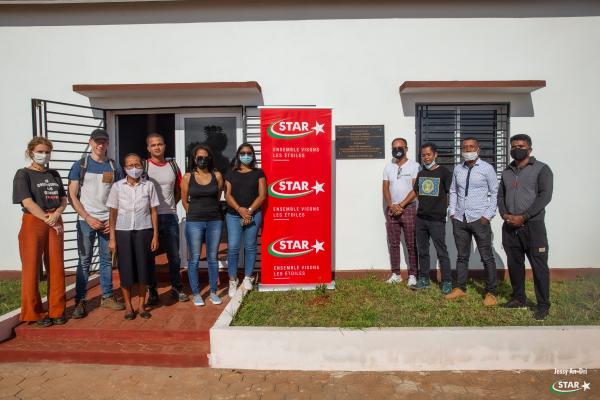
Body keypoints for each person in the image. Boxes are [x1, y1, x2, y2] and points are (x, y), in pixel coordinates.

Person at [68, 128, 124, 318]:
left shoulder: (113, 166)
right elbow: (72, 196)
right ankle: (81, 300)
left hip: (107, 221)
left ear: (108, 143)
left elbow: (119, 196)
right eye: (97, 141)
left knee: (107, 260)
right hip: (86, 221)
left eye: (104, 141)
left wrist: (112, 221)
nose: (101, 145)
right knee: (84, 261)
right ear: (90, 142)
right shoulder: (80, 165)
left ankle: (107, 296)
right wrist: (87, 217)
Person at [12, 137, 68, 327]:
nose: (44, 155)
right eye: (40, 151)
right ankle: (33, 312)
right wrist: (47, 219)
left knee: (56, 266)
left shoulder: (54, 174)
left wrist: (57, 214)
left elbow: (63, 198)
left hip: (55, 219)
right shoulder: (23, 174)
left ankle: (57, 310)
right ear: (31, 152)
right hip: (34, 221)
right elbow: (26, 201)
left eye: (47, 152)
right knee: (31, 268)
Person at [498, 134, 553, 320]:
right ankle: (519, 298)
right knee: (514, 264)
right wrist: (505, 214)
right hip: (510, 226)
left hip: (533, 226)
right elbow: (500, 196)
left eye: (521, 145)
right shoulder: (506, 171)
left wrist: (524, 216)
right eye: (513, 146)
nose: (517, 149)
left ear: (530, 148)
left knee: (539, 266)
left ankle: (543, 304)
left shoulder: (542, 169)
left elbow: (544, 196)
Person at [107, 153, 159, 320]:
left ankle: (142, 306)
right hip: (123, 232)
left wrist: (155, 235)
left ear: (142, 166)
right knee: (126, 270)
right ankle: (129, 307)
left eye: (137, 164)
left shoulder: (148, 186)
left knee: (144, 270)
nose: (134, 168)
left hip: (144, 231)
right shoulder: (117, 187)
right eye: (130, 165)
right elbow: (113, 213)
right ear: (125, 168)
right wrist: (112, 238)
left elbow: (153, 211)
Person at [447, 137, 499, 306]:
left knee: (487, 257)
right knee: (462, 256)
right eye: (465, 147)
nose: (468, 150)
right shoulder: (458, 169)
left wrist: (488, 214)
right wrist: (452, 211)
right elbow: (453, 191)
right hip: (460, 219)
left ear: (478, 149)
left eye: (471, 147)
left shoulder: (487, 168)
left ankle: (491, 292)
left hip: (479, 219)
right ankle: (460, 288)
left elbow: (495, 192)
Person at [142, 133, 187, 304]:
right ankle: (152, 291)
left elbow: (179, 189)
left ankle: (176, 288)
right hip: (147, 217)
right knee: (150, 256)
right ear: (148, 148)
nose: (157, 147)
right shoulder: (144, 166)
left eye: (160, 144)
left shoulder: (173, 166)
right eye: (153, 145)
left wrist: (172, 205)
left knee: (174, 256)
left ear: (165, 145)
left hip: (169, 216)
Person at [181, 145, 224, 306]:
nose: (202, 160)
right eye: (199, 157)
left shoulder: (217, 175)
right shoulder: (187, 177)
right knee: (195, 258)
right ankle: (196, 293)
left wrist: (209, 211)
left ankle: (213, 291)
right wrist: (194, 214)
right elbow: (185, 201)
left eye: (205, 157)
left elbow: (218, 196)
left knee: (213, 257)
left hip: (214, 220)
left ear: (210, 159)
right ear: (194, 159)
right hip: (194, 221)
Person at [225, 143, 266, 297]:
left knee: (250, 246)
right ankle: (232, 280)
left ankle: (248, 277)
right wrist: (239, 209)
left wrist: (248, 211)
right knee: (233, 247)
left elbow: (262, 195)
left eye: (249, 153)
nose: (246, 155)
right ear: (238, 155)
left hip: (253, 214)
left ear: (253, 155)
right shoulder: (231, 173)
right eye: (243, 153)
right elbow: (227, 195)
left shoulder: (258, 173)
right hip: (234, 215)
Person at [412, 143, 453, 294]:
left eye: (428, 154)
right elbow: (416, 192)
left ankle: (447, 280)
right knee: (422, 250)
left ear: (435, 155)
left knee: (441, 251)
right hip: (421, 218)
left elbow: (451, 193)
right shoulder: (422, 173)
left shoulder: (444, 173)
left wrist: (448, 210)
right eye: (423, 155)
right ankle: (424, 278)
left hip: (437, 220)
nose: (426, 158)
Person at [382, 138, 420, 288]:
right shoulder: (388, 167)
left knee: (411, 243)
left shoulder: (414, 166)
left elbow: (416, 188)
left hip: (409, 208)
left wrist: (402, 205)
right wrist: (391, 205)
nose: (397, 149)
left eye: (400, 147)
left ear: (406, 148)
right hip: (392, 209)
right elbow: (385, 187)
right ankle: (396, 274)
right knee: (393, 243)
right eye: (394, 147)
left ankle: (412, 275)